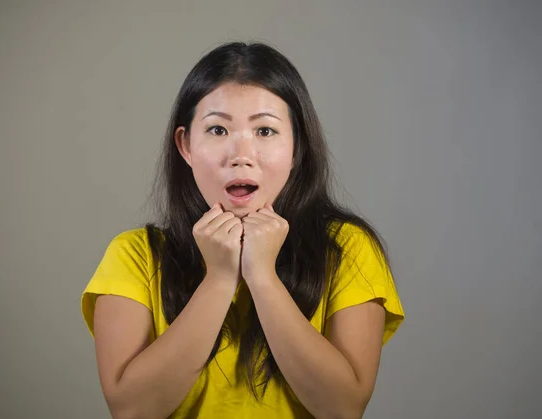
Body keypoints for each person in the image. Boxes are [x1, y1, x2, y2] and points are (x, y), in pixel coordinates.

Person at [81, 41, 405, 419]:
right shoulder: (134, 255)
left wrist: (262, 276)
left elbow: (343, 408)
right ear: (185, 145)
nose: (241, 155)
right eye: (217, 129)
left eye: (265, 131)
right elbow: (132, 410)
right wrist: (219, 278)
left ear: (297, 147)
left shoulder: (348, 247)